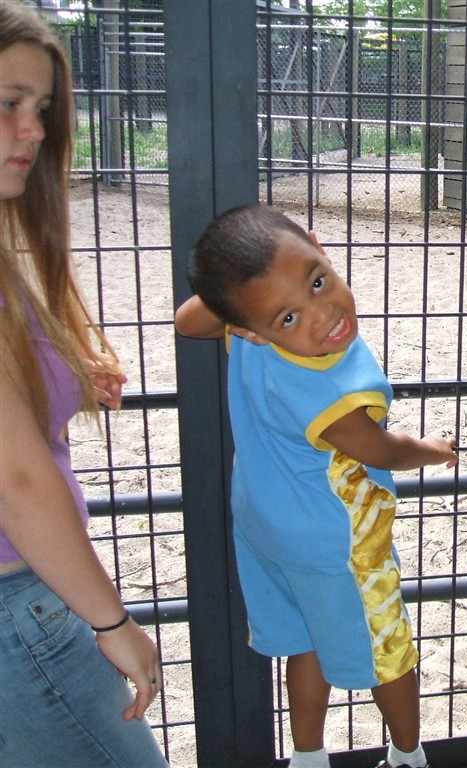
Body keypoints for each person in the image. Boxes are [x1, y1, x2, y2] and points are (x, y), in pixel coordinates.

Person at [175, 203, 459, 768]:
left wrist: (247, 306)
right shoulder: (329, 388)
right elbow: (383, 450)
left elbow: (188, 320)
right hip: (335, 540)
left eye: (317, 281)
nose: (322, 314)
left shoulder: (248, 327)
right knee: (388, 650)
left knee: (306, 638)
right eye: (288, 317)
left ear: (319, 246)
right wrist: (434, 449)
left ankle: (307, 758)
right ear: (251, 326)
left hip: (265, 522)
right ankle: (408, 757)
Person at [0, 3, 168, 766]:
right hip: (21, 611)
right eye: (9, 103)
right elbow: (15, 479)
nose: (33, 130)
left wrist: (62, 378)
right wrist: (112, 622)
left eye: (40, 108)